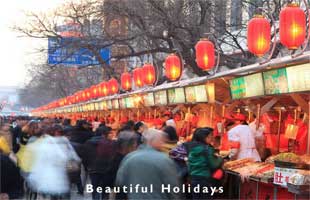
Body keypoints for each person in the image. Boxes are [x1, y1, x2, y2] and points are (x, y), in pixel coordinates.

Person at [115, 128, 180, 200]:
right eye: (161, 140)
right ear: (153, 141)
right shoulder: (164, 160)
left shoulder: (130, 157)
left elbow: (120, 182)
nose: (162, 143)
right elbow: (173, 187)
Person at [27, 124, 81, 199]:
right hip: (57, 174)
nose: (59, 134)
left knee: (59, 194)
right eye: (58, 132)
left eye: (60, 132)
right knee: (60, 194)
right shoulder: (51, 142)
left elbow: (72, 155)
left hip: (60, 173)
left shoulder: (48, 142)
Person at [186, 127, 224, 200]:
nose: (212, 138)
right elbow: (214, 165)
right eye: (210, 136)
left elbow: (189, 163)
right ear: (204, 138)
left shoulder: (192, 148)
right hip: (205, 179)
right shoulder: (208, 149)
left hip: (194, 178)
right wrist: (220, 159)